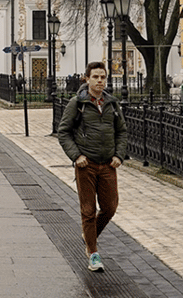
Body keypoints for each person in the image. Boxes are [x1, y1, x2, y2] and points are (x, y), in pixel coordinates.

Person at [57, 62, 127, 273]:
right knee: (88, 210)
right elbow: (63, 132)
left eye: (103, 77)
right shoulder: (77, 103)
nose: (99, 81)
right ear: (87, 79)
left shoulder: (112, 104)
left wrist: (119, 155)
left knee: (110, 207)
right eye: (95, 77)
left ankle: (89, 235)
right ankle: (93, 253)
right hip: (86, 164)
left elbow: (121, 132)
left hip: (108, 164)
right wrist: (76, 156)